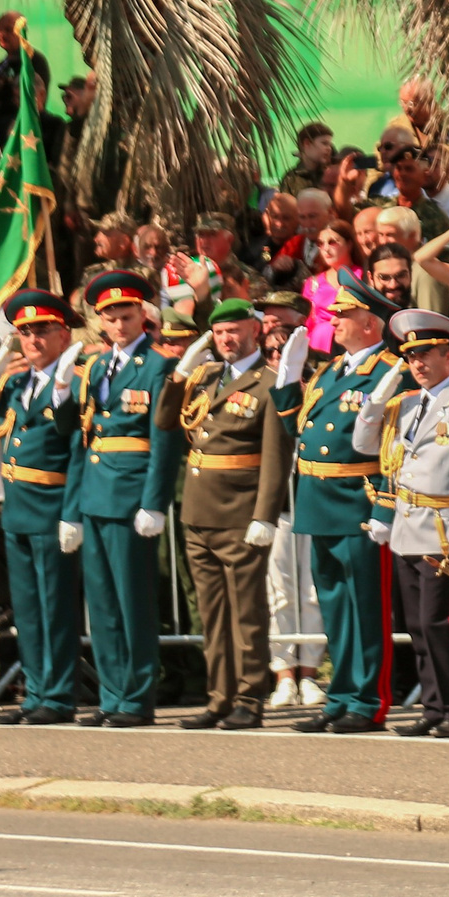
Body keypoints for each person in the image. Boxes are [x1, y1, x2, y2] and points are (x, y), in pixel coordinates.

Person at [357, 307, 449, 738]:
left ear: (448, 355)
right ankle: (434, 706)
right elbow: (363, 443)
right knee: (417, 624)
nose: (417, 364)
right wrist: (376, 399)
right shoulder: (405, 405)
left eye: (426, 354)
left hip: (444, 529)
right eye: (411, 356)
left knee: (437, 621)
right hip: (408, 526)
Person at [171, 299, 304, 731]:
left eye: (234, 330)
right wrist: (179, 374)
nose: (226, 339)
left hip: (240, 511)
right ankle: (220, 697)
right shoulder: (205, 377)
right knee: (212, 614)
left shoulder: (269, 382)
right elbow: (164, 421)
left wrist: (266, 514)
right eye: (219, 332)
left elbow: (276, 454)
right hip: (198, 510)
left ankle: (249, 697)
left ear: (254, 331)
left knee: (247, 613)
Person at [0, 290, 85, 726]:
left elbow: (77, 451)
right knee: (27, 610)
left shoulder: (74, 381)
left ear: (64, 334)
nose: (32, 339)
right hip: (17, 509)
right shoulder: (15, 383)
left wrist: (72, 513)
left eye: (42, 330)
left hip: (52, 507)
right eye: (24, 332)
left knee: (55, 608)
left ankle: (59, 696)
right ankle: (36, 693)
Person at [61, 269, 182, 728]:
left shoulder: (158, 366)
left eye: (126, 316)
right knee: (103, 604)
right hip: (94, 494)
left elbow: (164, 439)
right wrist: (71, 510)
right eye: (110, 318)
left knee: (133, 603)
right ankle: (112, 695)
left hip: (131, 495)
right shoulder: (94, 368)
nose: (118, 325)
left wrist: (154, 501)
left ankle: (136, 698)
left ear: (142, 316)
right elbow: (82, 441)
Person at [284, 271, 398, 735]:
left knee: (365, 608)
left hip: (358, 501)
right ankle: (341, 696)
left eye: (343, 315)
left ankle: (369, 701)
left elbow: (392, 447)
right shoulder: (329, 371)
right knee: (335, 607)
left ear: (369, 323)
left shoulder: (390, 371)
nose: (332, 321)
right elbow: (298, 430)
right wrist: (287, 381)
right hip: (320, 500)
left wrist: (385, 508)